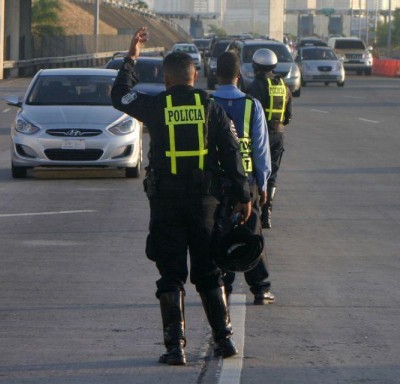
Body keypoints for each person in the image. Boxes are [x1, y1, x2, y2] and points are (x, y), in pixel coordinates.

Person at [111, 27, 251, 365]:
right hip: (205, 204)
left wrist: (131, 57)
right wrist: (243, 195)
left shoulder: (154, 106)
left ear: (165, 78)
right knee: (208, 273)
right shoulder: (211, 107)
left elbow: (120, 95)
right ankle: (224, 340)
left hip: (166, 204)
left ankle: (176, 348)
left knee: (171, 275)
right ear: (195, 75)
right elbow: (231, 153)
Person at [211, 51, 275, 305]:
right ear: (240, 75)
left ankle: (222, 287)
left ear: (216, 74)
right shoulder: (252, 105)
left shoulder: (207, 104)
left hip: (216, 182)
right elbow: (261, 148)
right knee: (252, 232)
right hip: (247, 180)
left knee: (219, 233)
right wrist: (263, 182)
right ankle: (261, 288)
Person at [246, 48, 292, 229]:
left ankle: (255, 210)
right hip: (279, 135)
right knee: (272, 174)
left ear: (255, 66)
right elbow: (288, 116)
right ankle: (268, 213)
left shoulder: (254, 86)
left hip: (259, 135)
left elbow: (248, 113)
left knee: (256, 172)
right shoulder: (283, 86)